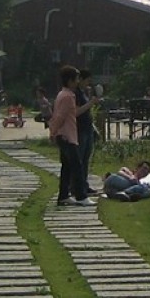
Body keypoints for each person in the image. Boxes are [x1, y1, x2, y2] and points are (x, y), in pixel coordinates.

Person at [47, 66, 90, 205]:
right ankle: (81, 196)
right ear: (70, 80)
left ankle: (63, 195)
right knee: (77, 166)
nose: (78, 81)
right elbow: (60, 117)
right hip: (67, 136)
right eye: (76, 78)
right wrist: (53, 131)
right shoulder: (68, 96)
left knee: (67, 167)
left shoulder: (62, 94)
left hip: (66, 135)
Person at [76, 68, 99, 192]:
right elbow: (77, 111)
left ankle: (84, 184)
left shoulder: (83, 93)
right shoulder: (76, 94)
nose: (88, 84)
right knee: (80, 159)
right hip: (80, 129)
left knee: (86, 159)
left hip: (88, 128)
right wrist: (91, 103)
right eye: (87, 81)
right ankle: (77, 185)